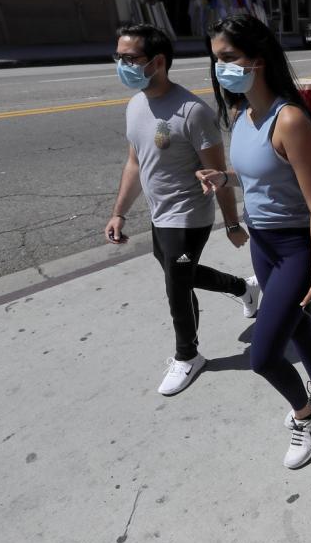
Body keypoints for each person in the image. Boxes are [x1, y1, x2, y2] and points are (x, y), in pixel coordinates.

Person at [198, 14, 311, 469]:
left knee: (263, 356)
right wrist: (226, 177)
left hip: (296, 247)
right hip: (262, 242)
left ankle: (306, 416)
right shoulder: (242, 114)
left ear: (257, 60)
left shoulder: (290, 119)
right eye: (216, 60)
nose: (221, 68)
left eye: (229, 58)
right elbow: (261, 175)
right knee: (296, 326)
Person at [105, 24, 261, 397]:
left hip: (189, 215)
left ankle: (187, 356)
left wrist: (232, 224)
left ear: (157, 62)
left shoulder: (192, 112)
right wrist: (120, 213)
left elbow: (218, 174)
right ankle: (243, 288)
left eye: (130, 58)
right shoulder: (136, 104)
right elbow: (134, 163)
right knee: (183, 275)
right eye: (119, 57)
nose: (121, 64)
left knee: (176, 288)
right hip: (160, 214)